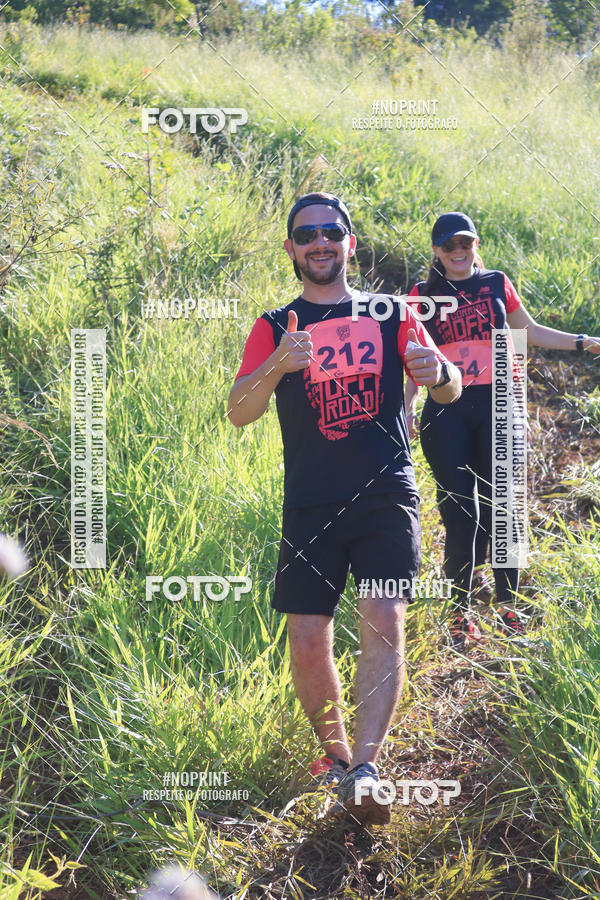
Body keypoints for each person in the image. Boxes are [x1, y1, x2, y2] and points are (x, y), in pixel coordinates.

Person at [227, 192, 461, 825]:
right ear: (291, 249)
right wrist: (280, 363)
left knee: (383, 619)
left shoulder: (391, 311)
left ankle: (366, 766)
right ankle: (336, 761)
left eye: (332, 231)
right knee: (307, 640)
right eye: (307, 235)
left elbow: (449, 384)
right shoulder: (274, 324)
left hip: (387, 494)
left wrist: (435, 366)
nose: (320, 241)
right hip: (310, 503)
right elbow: (239, 410)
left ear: (350, 243)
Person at [406, 211, 600, 648]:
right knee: (460, 513)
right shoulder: (421, 294)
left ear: (475, 245)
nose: (459, 251)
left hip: (499, 403)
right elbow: (413, 357)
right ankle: (460, 612)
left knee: (503, 509)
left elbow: (527, 330)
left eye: (466, 243)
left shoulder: (496, 282)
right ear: (437, 251)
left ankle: (507, 604)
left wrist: (582, 341)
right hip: (446, 408)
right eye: (449, 245)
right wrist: (406, 408)